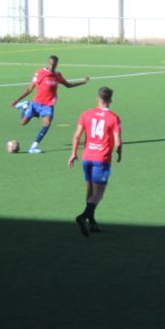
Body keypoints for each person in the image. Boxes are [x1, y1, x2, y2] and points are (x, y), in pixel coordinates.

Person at [69, 86, 122, 237]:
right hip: (101, 159)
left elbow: (77, 136)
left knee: (90, 191)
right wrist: (119, 152)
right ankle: (83, 216)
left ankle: (92, 223)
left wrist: (73, 153)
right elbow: (118, 141)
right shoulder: (114, 117)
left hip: (87, 157)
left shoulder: (86, 114)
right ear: (110, 99)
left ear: (97, 98)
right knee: (99, 193)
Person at [10, 55, 89, 153]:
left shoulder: (58, 75)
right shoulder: (40, 73)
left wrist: (83, 82)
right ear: (48, 63)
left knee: (47, 124)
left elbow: (68, 85)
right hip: (36, 103)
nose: (52, 66)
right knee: (23, 123)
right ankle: (25, 106)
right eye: (50, 63)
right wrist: (17, 100)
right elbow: (30, 89)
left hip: (48, 105)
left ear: (56, 64)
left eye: (54, 64)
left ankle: (33, 147)